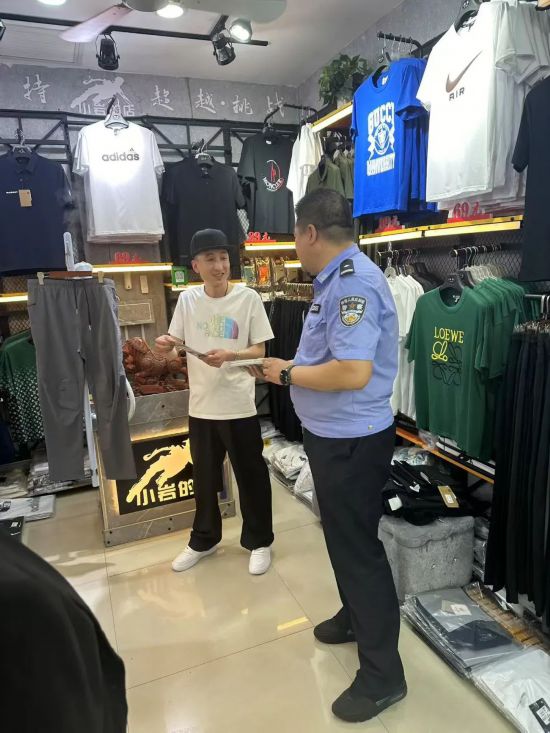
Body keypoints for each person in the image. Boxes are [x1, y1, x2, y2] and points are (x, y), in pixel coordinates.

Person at [260, 190, 406, 723]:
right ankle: (354, 617)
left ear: (309, 232)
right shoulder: (333, 281)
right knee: (344, 541)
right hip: (334, 436)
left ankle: (383, 677)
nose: (295, 246)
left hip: (351, 440)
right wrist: (289, 366)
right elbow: (330, 356)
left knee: (358, 550)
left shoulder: (353, 283)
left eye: (295, 236)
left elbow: (352, 372)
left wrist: (287, 373)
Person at [155, 229, 275, 576]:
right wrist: (165, 345)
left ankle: (260, 541)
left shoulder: (248, 299)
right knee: (204, 479)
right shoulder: (188, 300)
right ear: (196, 266)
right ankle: (203, 539)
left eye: (223, 258)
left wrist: (230, 355)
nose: (220, 266)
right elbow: (175, 346)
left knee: (251, 476)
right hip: (201, 406)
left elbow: (260, 349)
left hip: (238, 404)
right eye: (210, 259)